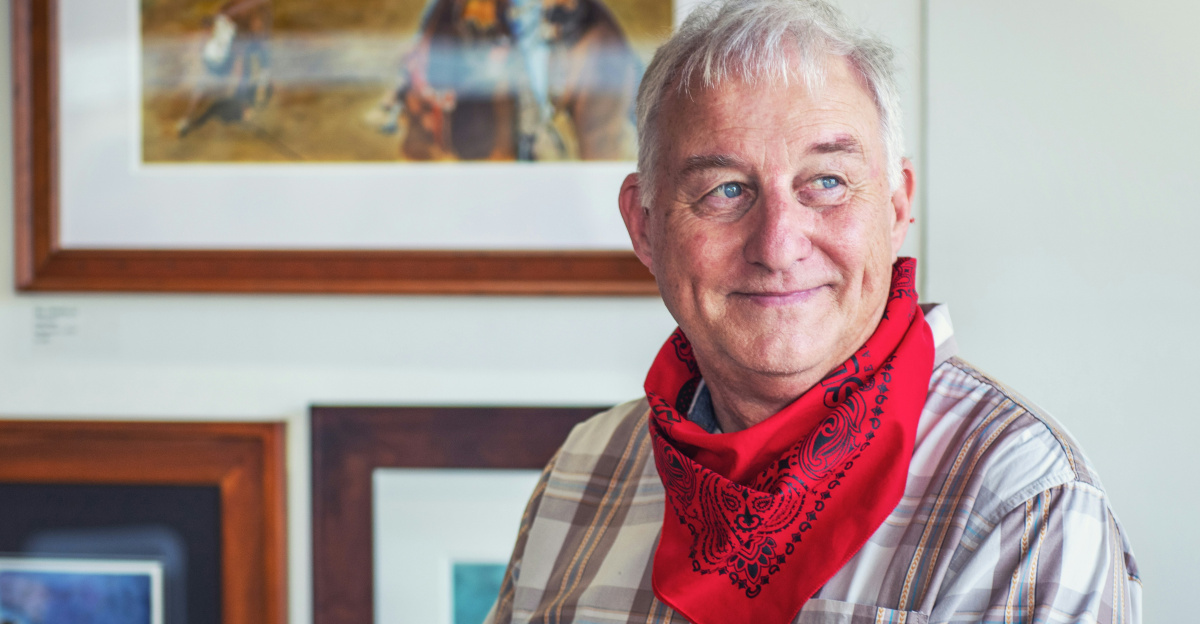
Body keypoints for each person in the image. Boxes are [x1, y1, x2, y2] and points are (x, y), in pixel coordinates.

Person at [484, 1, 1141, 623]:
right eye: (724, 190)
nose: (777, 246)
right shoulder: (584, 470)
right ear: (645, 226)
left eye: (826, 182)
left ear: (895, 205)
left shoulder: (1020, 502)